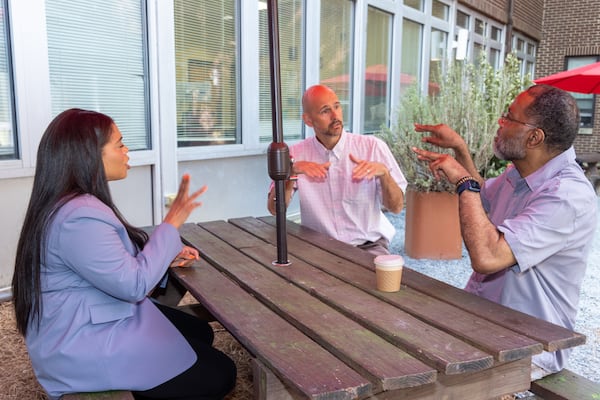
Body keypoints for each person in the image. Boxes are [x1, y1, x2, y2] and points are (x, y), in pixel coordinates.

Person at [12, 109, 236, 400]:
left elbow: (112, 264)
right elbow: (133, 285)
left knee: (199, 332)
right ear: (90, 154)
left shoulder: (72, 204)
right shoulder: (78, 216)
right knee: (221, 373)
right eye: (119, 144)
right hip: (83, 345)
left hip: (88, 317)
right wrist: (171, 224)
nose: (126, 150)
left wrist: (164, 256)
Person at [412, 84, 597, 379]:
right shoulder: (522, 171)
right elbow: (483, 198)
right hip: (484, 322)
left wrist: (462, 180)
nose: (499, 123)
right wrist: (460, 149)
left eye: (509, 117)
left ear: (534, 137)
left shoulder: (567, 196)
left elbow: (488, 256)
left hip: (526, 345)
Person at [267, 84, 407, 256]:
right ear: (308, 120)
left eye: (337, 106)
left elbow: (397, 207)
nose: (335, 116)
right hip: (318, 248)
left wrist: (385, 174)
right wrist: (291, 173)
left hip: (368, 246)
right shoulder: (295, 154)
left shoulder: (373, 147)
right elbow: (274, 209)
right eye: (325, 111)